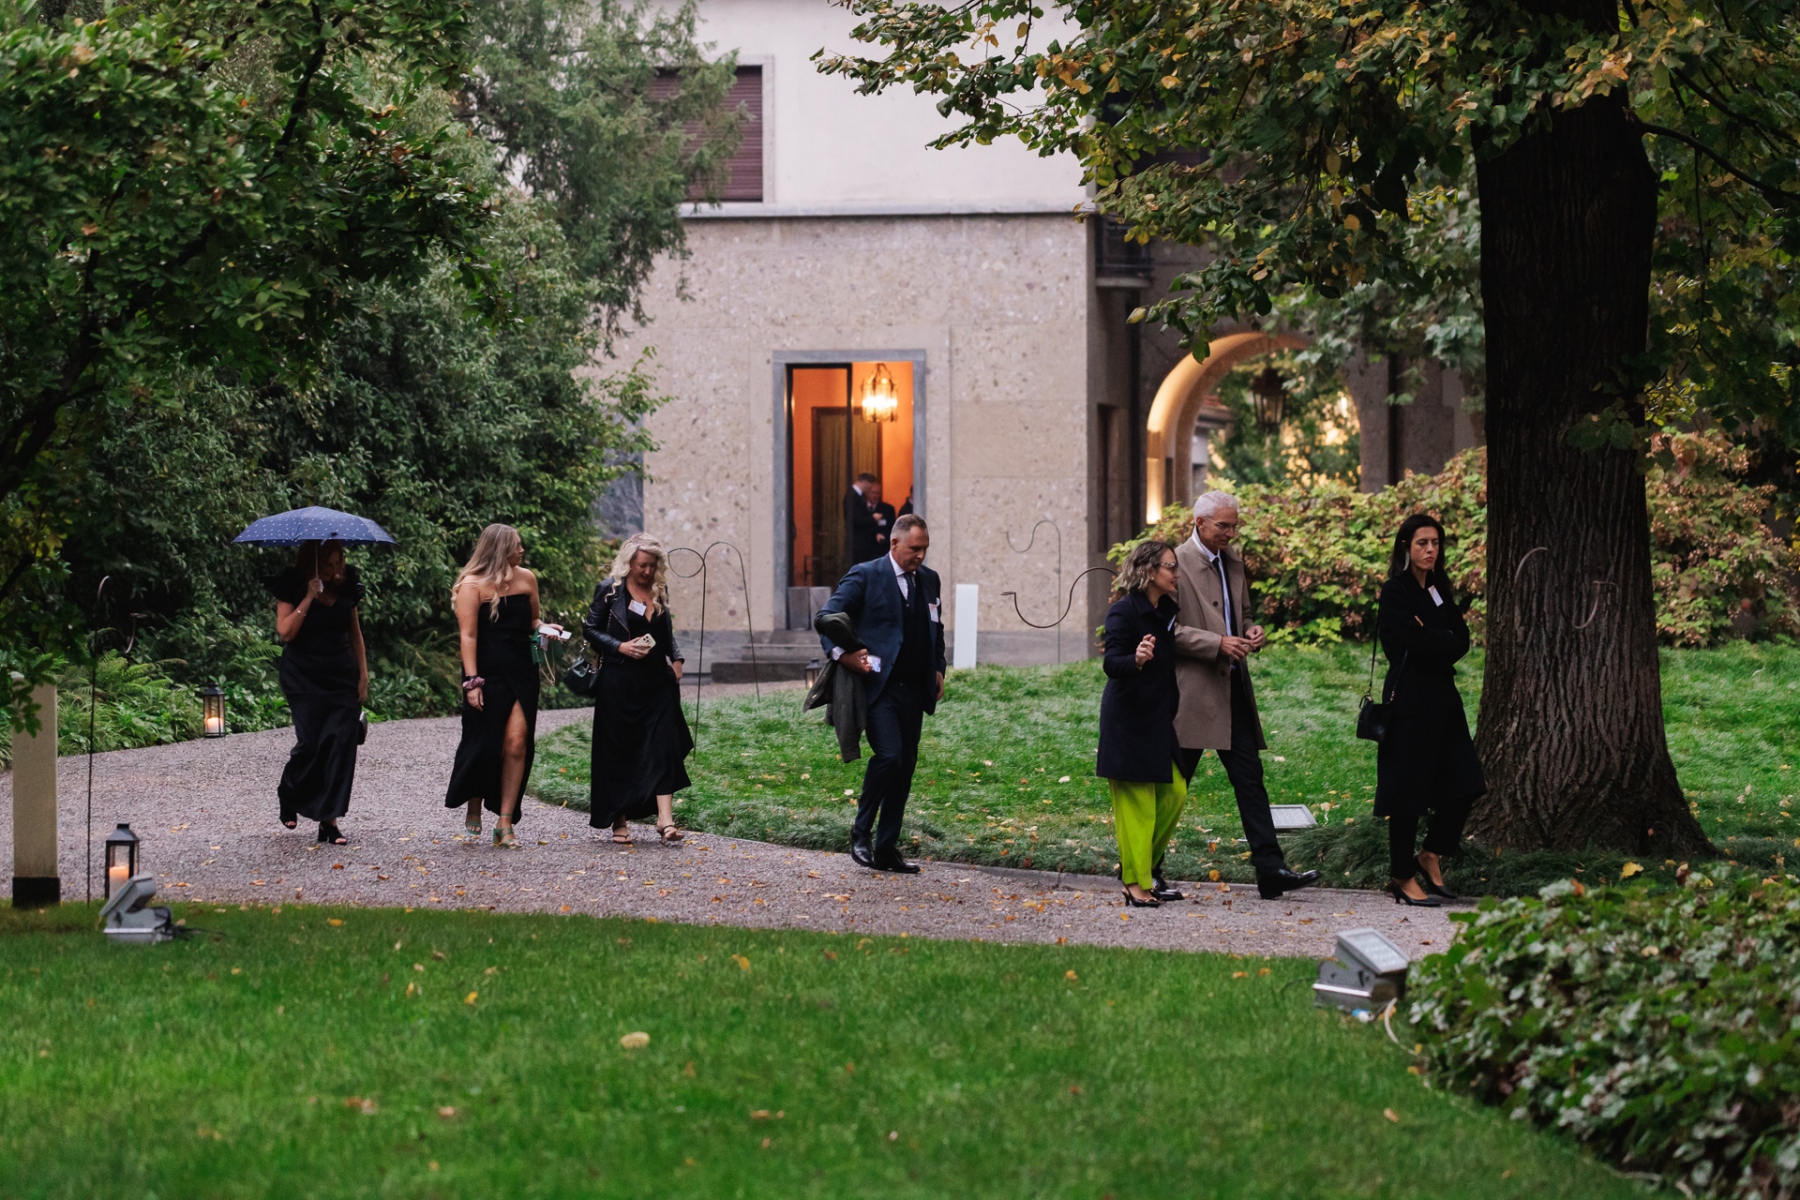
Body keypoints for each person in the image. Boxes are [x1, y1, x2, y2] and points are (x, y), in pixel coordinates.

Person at [1171, 491, 1319, 901]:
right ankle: (1146, 870)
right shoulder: (1175, 563)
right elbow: (1168, 630)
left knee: (1251, 780)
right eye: (1224, 526)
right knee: (1174, 785)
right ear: (1200, 522)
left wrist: (1252, 631)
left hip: (1233, 688)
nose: (1231, 533)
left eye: (1235, 526)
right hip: (1192, 696)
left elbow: (1243, 614)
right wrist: (1216, 643)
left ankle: (1271, 871)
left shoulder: (1232, 561)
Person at [815, 514, 946, 873]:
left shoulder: (930, 579)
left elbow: (936, 628)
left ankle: (887, 847)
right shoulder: (865, 575)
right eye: (915, 548)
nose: (920, 555)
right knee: (889, 756)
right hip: (878, 688)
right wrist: (843, 656)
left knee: (905, 767)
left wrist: (939, 667)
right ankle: (860, 833)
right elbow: (825, 617)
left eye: (925, 549)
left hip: (914, 689)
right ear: (894, 543)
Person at [1376, 514, 1485, 906]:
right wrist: (1437, 638)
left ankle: (1431, 853)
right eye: (1422, 543)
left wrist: (1431, 636)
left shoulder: (1439, 587)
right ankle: (1401, 875)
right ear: (1406, 546)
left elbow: (1462, 640)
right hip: (1408, 699)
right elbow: (1408, 642)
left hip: (1443, 697)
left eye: (1436, 543)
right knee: (1407, 790)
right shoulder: (1396, 591)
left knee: (1467, 781)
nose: (1430, 550)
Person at [444, 524, 561, 848]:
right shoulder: (472, 586)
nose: (521, 550)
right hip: (485, 673)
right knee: (483, 745)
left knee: (516, 744)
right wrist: (472, 682)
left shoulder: (527, 579)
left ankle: (505, 821)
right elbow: (468, 636)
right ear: (500, 549)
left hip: (522, 671)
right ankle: (474, 803)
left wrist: (544, 628)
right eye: (516, 545)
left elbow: (532, 621)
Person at [583, 533, 693, 844]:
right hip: (619, 682)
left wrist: (677, 658)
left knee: (663, 745)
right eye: (642, 565)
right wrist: (619, 646)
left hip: (657, 682)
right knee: (619, 749)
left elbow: (665, 631)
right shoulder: (610, 589)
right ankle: (618, 819)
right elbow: (590, 629)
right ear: (629, 561)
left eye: (652, 565)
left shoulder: (658, 589)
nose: (646, 571)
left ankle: (665, 820)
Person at [1097, 541, 1187, 908]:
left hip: (1157, 719)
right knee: (1138, 806)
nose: (1176, 573)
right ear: (1149, 571)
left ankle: (1137, 869)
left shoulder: (1165, 611)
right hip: (1128, 720)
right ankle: (1136, 884)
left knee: (1175, 793)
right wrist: (1135, 659)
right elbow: (1111, 664)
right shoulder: (1123, 612)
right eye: (1170, 566)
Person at [267, 539, 368, 845]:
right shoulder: (293, 585)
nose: (335, 570)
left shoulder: (348, 584)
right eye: (328, 564)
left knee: (340, 744)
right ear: (312, 563)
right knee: (311, 744)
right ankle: (289, 791)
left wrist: (363, 674)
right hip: (303, 677)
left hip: (341, 675)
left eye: (339, 563)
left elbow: (354, 631)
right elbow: (286, 632)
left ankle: (329, 821)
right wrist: (309, 597)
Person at [846, 472, 884, 564]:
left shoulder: (858, 496)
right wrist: (872, 518)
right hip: (858, 543)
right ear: (865, 483)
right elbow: (855, 520)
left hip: (861, 543)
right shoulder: (853, 496)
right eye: (870, 486)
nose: (869, 489)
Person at [866, 479, 897, 555]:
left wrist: (884, 536)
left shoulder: (888, 509)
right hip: (866, 548)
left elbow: (892, 528)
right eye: (872, 493)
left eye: (877, 493)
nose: (874, 495)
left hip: (882, 548)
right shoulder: (862, 509)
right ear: (868, 493)